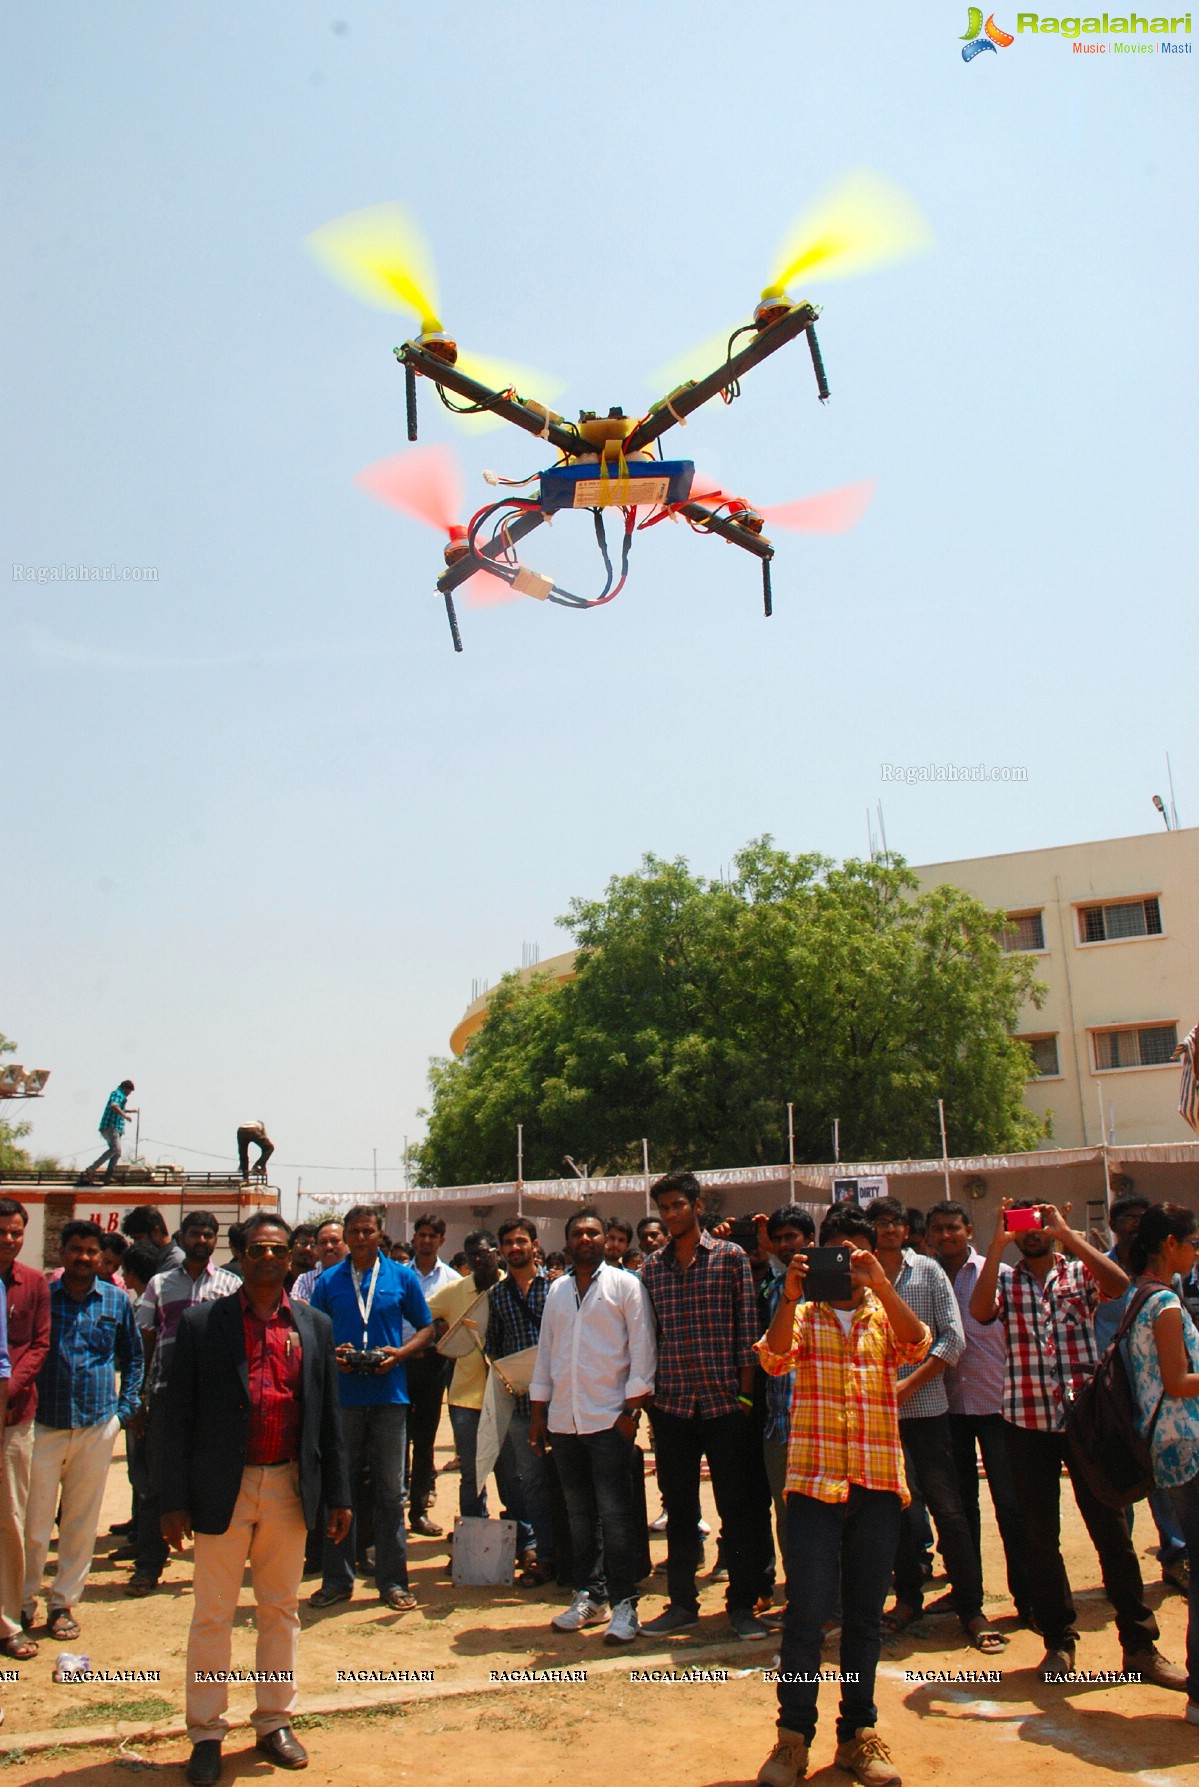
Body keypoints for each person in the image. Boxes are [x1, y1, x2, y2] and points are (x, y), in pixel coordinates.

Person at [161, 1212, 352, 1784]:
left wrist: (337, 1492)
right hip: (225, 1485)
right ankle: (207, 1732)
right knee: (214, 1614)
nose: (268, 1258)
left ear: (292, 1257)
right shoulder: (202, 1324)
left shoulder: (314, 1324)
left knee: (279, 1610)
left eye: (277, 1250)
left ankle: (273, 1720)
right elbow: (176, 1416)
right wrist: (171, 1500)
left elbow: (327, 1416)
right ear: (239, 1256)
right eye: (257, 1250)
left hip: (290, 1484)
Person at [970, 1197, 1183, 1687]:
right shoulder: (1004, 1279)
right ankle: (1059, 1643)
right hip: (1026, 1420)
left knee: (1111, 1531)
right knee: (1040, 1538)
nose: (1032, 1232)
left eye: (1038, 1223)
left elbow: (1119, 1284)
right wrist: (997, 1244)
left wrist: (1068, 1234)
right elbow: (980, 1313)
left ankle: (1139, 1645)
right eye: (1021, 1225)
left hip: (1086, 1420)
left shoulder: (1076, 1272)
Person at [754, 1202, 931, 1787]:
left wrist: (881, 1284)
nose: (850, 1264)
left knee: (863, 1618)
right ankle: (792, 1739)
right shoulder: (803, 1314)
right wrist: (788, 1294)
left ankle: (858, 1733)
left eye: (861, 1252)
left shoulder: (884, 1313)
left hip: (876, 1482)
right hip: (813, 1484)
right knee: (805, 1615)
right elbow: (775, 1361)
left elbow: (917, 1345)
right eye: (840, 1253)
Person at [865, 1196, 1002, 1653]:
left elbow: (953, 1339)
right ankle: (906, 1600)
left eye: (896, 1222)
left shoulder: (928, 1272)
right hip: (878, 1418)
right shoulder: (859, 1278)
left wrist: (908, 1386)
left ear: (908, 1230)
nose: (888, 1230)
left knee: (948, 1508)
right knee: (899, 1511)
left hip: (927, 1411)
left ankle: (970, 1605)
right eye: (880, 1223)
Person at [639, 1170, 768, 1642]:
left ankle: (742, 1606)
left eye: (678, 1205)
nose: (671, 1214)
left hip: (725, 1405)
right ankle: (681, 1604)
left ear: (696, 1205)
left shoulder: (731, 1258)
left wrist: (746, 1395)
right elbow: (646, 1338)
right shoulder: (650, 1270)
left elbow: (747, 1331)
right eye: (664, 1208)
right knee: (679, 1509)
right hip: (672, 1405)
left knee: (738, 1510)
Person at [529, 1208, 656, 1644]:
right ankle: (591, 1594)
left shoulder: (626, 1286)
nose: (585, 1238)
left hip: (608, 1420)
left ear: (606, 1239)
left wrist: (630, 1414)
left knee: (617, 1517)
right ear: (567, 1242)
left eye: (593, 1232)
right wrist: (539, 1414)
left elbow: (642, 1353)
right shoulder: (557, 1291)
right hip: (565, 1422)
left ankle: (625, 1603)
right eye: (577, 1233)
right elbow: (546, 1356)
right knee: (580, 1517)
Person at [308, 1205, 434, 1612]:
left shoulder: (401, 1277)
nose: (362, 1238)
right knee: (339, 1490)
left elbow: (429, 1327)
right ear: (345, 1235)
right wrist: (333, 1353)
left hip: (389, 1396)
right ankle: (336, 1580)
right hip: (343, 1397)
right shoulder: (328, 1281)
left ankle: (394, 1581)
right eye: (355, 1231)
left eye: (369, 1231)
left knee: (390, 1492)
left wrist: (401, 1353)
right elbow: (311, 1333)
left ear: (381, 1235)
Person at [23, 1220, 142, 1639]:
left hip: (96, 1425)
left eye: (91, 1252)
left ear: (101, 1257)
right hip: (44, 1425)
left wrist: (122, 1412)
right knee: (33, 1524)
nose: (83, 1258)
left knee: (79, 1524)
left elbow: (134, 1360)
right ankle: (22, 1602)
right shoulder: (43, 1298)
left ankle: (63, 1605)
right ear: (62, 1252)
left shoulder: (115, 1301)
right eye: (76, 1250)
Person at [924, 1200, 1033, 1625]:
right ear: (929, 1235)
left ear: (969, 1230)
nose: (946, 1235)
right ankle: (965, 1591)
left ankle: (1027, 1598)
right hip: (946, 1407)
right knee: (958, 1507)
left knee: (1011, 1504)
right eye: (938, 1229)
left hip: (996, 1404)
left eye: (953, 1227)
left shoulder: (1000, 1275)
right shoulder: (923, 1279)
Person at [126, 1212, 241, 1597]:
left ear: (216, 1240)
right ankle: (148, 1566)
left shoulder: (230, 1285)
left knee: (214, 1481)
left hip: (213, 1400)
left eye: (210, 1234)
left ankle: (214, 1568)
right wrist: (140, 1397)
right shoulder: (159, 1285)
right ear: (183, 1236)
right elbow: (144, 1342)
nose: (203, 1239)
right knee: (158, 1481)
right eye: (196, 1233)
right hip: (166, 1394)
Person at [1124, 1203, 1199, 1724]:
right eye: (1193, 1242)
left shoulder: (1138, 1297)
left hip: (1172, 1449)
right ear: (1170, 1244)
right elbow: (1176, 1382)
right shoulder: (1165, 1301)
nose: (1196, 1252)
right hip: (1188, 1445)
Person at [487, 1216, 553, 1583]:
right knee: (533, 1484)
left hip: (564, 1402)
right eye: (508, 1243)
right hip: (522, 1409)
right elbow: (494, 1348)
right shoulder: (497, 1296)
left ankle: (577, 1559)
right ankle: (545, 1556)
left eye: (521, 1241)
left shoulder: (559, 1287)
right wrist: (509, 1378)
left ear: (535, 1245)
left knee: (571, 1483)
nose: (515, 1248)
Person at [0, 1197, 50, 1661]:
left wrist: (9, 1388)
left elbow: (38, 1345)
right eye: (3, 1232)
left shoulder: (33, 1284)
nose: (10, 1240)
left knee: (10, 1519)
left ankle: (8, 1621)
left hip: (14, 1418)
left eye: (16, 1232)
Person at [428, 1231, 503, 1522]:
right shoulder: (456, 1291)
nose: (477, 1259)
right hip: (465, 1398)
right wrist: (440, 1335)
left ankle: (525, 1540)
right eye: (472, 1255)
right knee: (471, 1475)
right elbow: (421, 1314)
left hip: (509, 1395)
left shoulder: (513, 1286)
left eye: (483, 1252)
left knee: (513, 1474)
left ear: (496, 1252)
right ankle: (474, 1534)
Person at [760, 1206, 815, 1565]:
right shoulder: (774, 1290)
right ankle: (800, 1593)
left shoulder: (834, 1287)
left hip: (820, 1419)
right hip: (779, 1423)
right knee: (787, 1512)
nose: (784, 1244)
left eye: (791, 1237)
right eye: (778, 1238)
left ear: (809, 1240)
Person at [405, 1213, 458, 1537]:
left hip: (432, 1366)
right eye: (421, 1235)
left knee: (424, 1443)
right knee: (396, 1442)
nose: (426, 1240)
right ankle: (391, 1511)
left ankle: (419, 1511)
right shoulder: (397, 1275)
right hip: (398, 1365)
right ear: (414, 1238)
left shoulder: (451, 1280)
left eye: (432, 1235)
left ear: (441, 1240)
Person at [80, 1079, 137, 1184]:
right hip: (111, 1126)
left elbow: (118, 1107)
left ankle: (108, 1176)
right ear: (126, 1088)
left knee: (117, 1152)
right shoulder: (118, 1093)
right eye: (129, 1091)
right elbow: (114, 1105)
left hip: (115, 1127)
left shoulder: (120, 1095)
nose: (129, 1094)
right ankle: (92, 1169)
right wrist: (125, 1115)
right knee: (115, 1148)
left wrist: (128, 1111)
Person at [290, 1219, 345, 1303]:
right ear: (317, 1248)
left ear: (348, 1243)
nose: (329, 1247)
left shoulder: (359, 1277)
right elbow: (300, 1313)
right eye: (323, 1242)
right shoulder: (305, 1280)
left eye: (335, 1241)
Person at [121, 1205, 185, 1274]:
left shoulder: (176, 1262)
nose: (136, 1244)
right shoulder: (155, 1260)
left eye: (139, 1238)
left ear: (156, 1232)